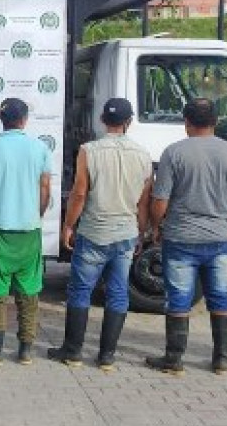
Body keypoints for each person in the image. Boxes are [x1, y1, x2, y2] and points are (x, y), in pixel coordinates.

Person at [146, 98, 227, 376]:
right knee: (220, 296)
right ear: (216, 121)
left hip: (181, 237)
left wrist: (155, 227)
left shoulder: (174, 153)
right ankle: (221, 359)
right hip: (219, 239)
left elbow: (160, 201)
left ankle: (174, 359)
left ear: (186, 123)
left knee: (179, 298)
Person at [48, 98, 153, 370]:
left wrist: (69, 225)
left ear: (103, 120)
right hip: (125, 232)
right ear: (129, 122)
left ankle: (72, 352)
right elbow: (143, 203)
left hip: (94, 231)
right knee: (118, 292)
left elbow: (80, 193)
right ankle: (107, 356)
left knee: (81, 289)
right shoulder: (143, 155)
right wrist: (140, 233)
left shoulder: (88, 151)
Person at [0, 98, 52, 366]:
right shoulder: (40, 148)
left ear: (1, 119)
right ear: (25, 119)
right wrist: (35, 216)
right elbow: (44, 189)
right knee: (29, 290)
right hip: (29, 229)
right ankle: (25, 350)